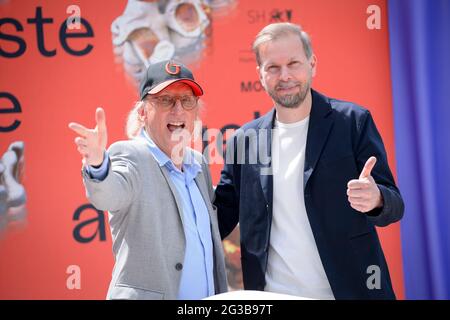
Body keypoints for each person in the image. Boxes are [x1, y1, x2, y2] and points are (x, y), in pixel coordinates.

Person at [214, 22, 404, 299]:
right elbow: (217, 217)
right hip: (273, 296)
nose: (285, 75)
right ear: (260, 74)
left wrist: (376, 199)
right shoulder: (245, 140)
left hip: (351, 291)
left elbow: (394, 205)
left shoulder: (352, 122)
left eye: (294, 63)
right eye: (273, 67)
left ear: (312, 63)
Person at [68, 60, 227, 300]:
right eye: (165, 100)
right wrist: (99, 165)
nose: (178, 110)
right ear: (142, 113)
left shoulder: (198, 165)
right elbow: (109, 193)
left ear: (195, 113)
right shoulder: (130, 154)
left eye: (187, 100)